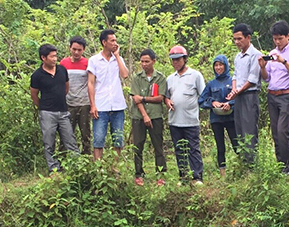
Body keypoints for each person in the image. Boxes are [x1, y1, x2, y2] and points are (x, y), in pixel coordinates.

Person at [258, 20, 289, 175]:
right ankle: (280, 164)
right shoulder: (271, 53)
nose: (277, 42)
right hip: (272, 95)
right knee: (275, 132)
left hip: (287, 95)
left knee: (282, 130)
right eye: (275, 39)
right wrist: (263, 67)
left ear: (288, 36)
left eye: (280, 38)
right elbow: (266, 78)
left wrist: (283, 61)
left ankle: (287, 165)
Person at [30, 44, 79, 173]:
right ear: (43, 58)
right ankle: (54, 169)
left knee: (70, 140)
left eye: (55, 56)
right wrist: (42, 106)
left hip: (63, 111)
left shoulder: (62, 70)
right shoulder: (37, 75)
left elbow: (66, 88)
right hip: (47, 113)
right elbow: (34, 94)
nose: (54, 59)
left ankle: (77, 167)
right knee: (49, 142)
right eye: (51, 57)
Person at [165, 45, 206, 185]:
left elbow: (203, 95)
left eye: (178, 59)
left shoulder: (195, 75)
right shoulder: (170, 78)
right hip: (174, 120)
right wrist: (167, 101)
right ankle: (183, 176)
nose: (175, 62)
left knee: (193, 148)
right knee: (179, 149)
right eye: (173, 60)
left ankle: (197, 176)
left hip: (191, 120)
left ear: (185, 59)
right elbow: (167, 96)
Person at [87, 29, 129, 160]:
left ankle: (116, 167)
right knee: (98, 139)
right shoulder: (94, 60)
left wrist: (117, 55)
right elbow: (91, 83)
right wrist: (93, 105)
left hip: (117, 105)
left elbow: (125, 75)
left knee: (118, 139)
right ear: (104, 42)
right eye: (112, 41)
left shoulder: (119, 59)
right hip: (101, 106)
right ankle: (98, 167)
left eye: (116, 40)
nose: (115, 43)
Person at [130, 48, 167, 186]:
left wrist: (144, 98)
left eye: (147, 61)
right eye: (142, 61)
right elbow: (135, 99)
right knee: (138, 145)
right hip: (138, 117)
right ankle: (139, 174)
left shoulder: (160, 78)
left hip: (156, 116)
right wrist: (145, 115)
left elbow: (160, 98)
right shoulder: (137, 78)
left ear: (153, 61)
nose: (144, 64)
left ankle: (161, 174)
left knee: (158, 145)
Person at [226, 23, 262, 165]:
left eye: (239, 39)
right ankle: (243, 162)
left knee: (249, 130)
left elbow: (252, 79)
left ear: (248, 37)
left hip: (249, 95)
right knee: (239, 129)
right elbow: (235, 75)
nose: (237, 42)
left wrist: (238, 91)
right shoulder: (238, 56)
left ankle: (252, 163)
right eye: (235, 39)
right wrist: (234, 90)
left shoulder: (255, 55)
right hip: (239, 96)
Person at [198, 55, 237, 178]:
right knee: (220, 146)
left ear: (225, 66)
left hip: (231, 118)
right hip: (216, 119)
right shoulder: (211, 84)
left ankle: (243, 168)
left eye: (221, 65)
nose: (218, 67)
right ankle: (223, 174)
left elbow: (240, 99)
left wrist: (230, 104)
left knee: (237, 143)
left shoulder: (233, 81)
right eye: (216, 65)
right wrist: (212, 103)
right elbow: (201, 101)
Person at [59, 36, 91, 156]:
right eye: (74, 49)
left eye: (79, 50)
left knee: (85, 133)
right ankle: (63, 160)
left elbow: (92, 83)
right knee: (66, 132)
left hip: (84, 103)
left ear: (83, 50)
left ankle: (87, 159)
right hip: (68, 103)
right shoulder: (63, 63)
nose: (76, 52)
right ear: (70, 48)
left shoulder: (88, 63)